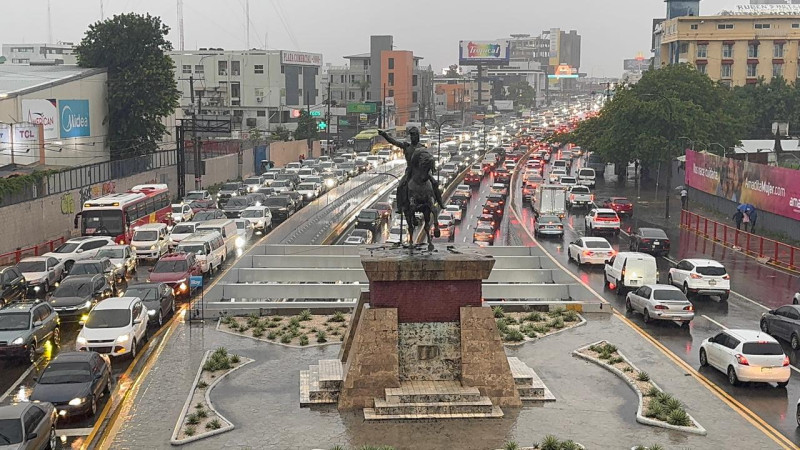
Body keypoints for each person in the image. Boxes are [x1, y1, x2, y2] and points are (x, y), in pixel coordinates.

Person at [378, 127, 444, 212]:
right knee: (400, 186)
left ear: (418, 136)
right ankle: (400, 206)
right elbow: (394, 142)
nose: (413, 137)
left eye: (415, 135)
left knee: (434, 183)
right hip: (410, 171)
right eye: (412, 135)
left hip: (421, 170)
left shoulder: (422, 147)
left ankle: (440, 201)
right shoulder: (406, 146)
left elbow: (427, 158)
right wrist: (384, 135)